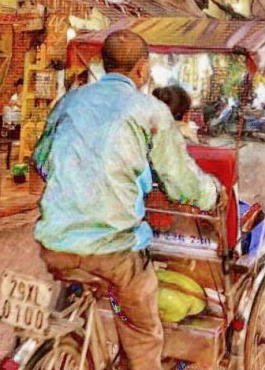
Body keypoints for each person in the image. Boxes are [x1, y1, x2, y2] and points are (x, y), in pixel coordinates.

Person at [33, 30, 221, 370]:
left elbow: (42, 160)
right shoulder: (149, 110)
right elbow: (181, 182)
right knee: (142, 331)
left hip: (54, 244)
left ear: (105, 65)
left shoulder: (70, 101)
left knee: (76, 294)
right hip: (115, 251)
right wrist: (213, 194)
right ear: (142, 69)